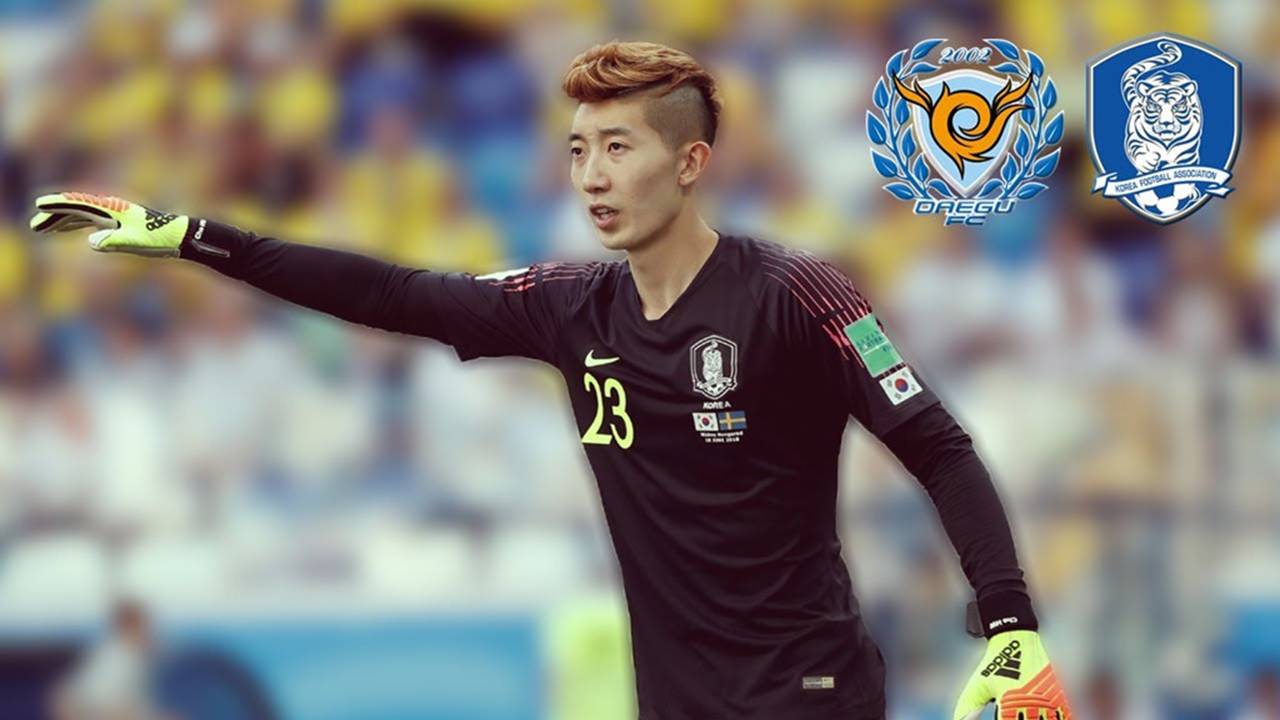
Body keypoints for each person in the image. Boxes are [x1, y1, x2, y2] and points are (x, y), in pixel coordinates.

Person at [30, 41, 1071, 720]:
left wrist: (1010, 620)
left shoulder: (798, 295)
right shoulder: (568, 305)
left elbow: (937, 445)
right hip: (674, 702)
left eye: (618, 146)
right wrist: (193, 237)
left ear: (690, 163)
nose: (591, 176)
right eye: (577, 151)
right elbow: (393, 292)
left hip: (807, 694)